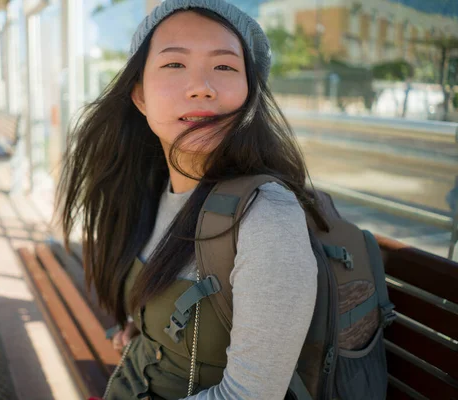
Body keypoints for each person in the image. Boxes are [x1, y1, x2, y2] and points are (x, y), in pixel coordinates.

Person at [57, 1, 327, 398]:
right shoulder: (150, 189)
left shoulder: (266, 214)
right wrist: (150, 331)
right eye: (174, 65)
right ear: (140, 96)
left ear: (249, 93)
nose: (202, 86)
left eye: (225, 67)